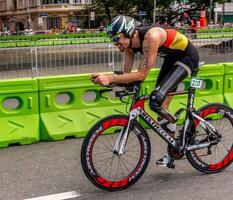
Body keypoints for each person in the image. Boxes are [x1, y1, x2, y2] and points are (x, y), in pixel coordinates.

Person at [91, 15, 199, 167]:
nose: (115, 44)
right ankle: (175, 148)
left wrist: (110, 78)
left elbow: (141, 75)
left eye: (116, 39)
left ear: (127, 32)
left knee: (156, 101)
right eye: (112, 41)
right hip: (171, 60)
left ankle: (178, 131)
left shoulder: (151, 37)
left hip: (187, 58)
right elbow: (128, 77)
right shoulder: (129, 47)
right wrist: (108, 82)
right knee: (161, 105)